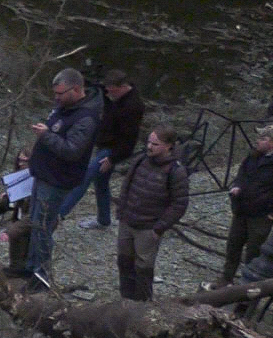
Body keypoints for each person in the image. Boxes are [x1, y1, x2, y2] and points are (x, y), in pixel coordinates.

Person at [19, 68, 103, 287]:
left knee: (43, 227)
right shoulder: (64, 108)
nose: (56, 98)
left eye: (60, 93)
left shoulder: (86, 118)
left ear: (76, 89)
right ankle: (30, 267)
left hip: (57, 181)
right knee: (35, 223)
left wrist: (46, 135)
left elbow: (72, 150)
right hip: (43, 175)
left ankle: (42, 277)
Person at [214, 124, 273, 287]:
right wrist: (237, 186)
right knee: (233, 245)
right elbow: (242, 174)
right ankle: (226, 278)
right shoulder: (253, 156)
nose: (258, 141)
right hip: (242, 210)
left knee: (254, 251)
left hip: (262, 215)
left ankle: (248, 284)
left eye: (263, 138)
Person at [112, 126, 190, 302]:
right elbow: (126, 186)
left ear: (169, 146)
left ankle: (142, 305)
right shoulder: (140, 161)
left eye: (155, 144)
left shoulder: (176, 171)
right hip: (128, 221)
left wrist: (159, 228)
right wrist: (121, 212)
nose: (149, 146)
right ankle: (126, 300)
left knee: (143, 268)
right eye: (148, 142)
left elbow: (180, 204)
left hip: (148, 228)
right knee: (124, 262)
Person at [66, 68, 145, 229]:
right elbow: (102, 91)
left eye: (112, 91)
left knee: (85, 178)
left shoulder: (133, 106)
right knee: (101, 183)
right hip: (104, 143)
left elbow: (129, 140)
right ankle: (103, 220)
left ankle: (57, 214)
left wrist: (112, 159)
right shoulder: (116, 94)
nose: (109, 93)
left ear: (122, 87)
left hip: (112, 150)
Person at [0, 150, 32, 274]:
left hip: (28, 224)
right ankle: (15, 269)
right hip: (19, 219)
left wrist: (10, 232)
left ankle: (22, 271)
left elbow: (32, 216)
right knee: (16, 247)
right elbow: (15, 201)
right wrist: (1, 206)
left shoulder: (36, 182)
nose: (21, 163)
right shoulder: (19, 178)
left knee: (24, 246)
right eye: (19, 160)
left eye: (25, 161)